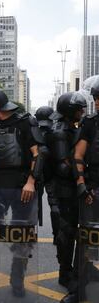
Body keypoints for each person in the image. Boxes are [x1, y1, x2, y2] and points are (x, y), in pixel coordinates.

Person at [0, 88, 42, 297]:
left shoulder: (25, 123)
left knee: (22, 237)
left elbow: (38, 155)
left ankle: (17, 279)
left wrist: (31, 181)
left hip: (23, 187)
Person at [44, 92, 87, 301]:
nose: (82, 112)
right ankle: (65, 272)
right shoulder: (60, 131)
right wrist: (82, 170)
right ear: (70, 111)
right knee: (67, 232)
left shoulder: (70, 127)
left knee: (74, 231)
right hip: (65, 189)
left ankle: (73, 270)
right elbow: (63, 166)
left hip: (71, 188)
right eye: (79, 109)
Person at [62, 79, 99, 303]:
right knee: (85, 241)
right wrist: (82, 184)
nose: (98, 103)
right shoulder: (90, 124)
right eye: (96, 99)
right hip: (93, 190)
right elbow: (78, 155)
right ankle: (80, 290)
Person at [35, 106, 59, 245]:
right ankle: (57, 236)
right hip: (52, 175)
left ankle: (29, 237)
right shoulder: (56, 133)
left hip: (36, 175)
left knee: (31, 207)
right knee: (55, 206)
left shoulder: (33, 132)